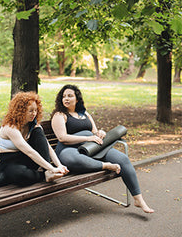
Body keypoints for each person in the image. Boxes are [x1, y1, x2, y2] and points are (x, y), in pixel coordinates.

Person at [51, 84, 154, 214]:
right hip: (69, 149)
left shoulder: (85, 114)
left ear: (77, 99)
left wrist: (100, 132)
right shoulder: (60, 115)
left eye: (70, 96)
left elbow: (94, 132)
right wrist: (88, 138)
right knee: (73, 159)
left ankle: (139, 199)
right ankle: (106, 165)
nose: (66, 98)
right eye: (64, 96)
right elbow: (62, 138)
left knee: (122, 158)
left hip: (91, 148)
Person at [0, 91, 69, 186]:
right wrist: (51, 169)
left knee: (38, 131)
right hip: (11, 164)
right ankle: (45, 175)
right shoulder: (10, 128)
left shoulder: (33, 125)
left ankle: (47, 172)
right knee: (22, 175)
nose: (34, 114)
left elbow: (47, 147)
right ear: (20, 111)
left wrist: (58, 165)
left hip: (28, 160)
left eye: (36, 110)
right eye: (30, 110)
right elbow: (29, 152)